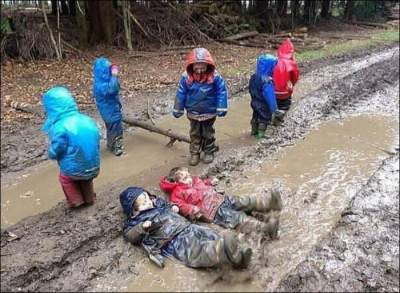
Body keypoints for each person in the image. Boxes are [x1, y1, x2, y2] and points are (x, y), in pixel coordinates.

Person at [120, 186, 253, 269]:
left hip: (188, 227)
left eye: (148, 198)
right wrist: (142, 227)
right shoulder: (137, 220)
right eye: (143, 203)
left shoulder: (158, 203)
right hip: (174, 239)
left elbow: (168, 204)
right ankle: (222, 251)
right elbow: (130, 235)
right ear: (134, 211)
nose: (149, 203)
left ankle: (237, 256)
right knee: (197, 250)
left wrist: (173, 207)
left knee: (211, 234)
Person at [159, 167, 282, 239]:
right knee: (237, 219)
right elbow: (180, 205)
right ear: (177, 182)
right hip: (214, 211)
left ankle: (267, 203)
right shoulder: (178, 192)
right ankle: (266, 229)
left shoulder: (195, 180)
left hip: (221, 199)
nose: (189, 179)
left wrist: (210, 181)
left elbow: (203, 183)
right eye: (185, 178)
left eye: (189, 175)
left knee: (244, 201)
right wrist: (191, 209)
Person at [41, 86, 100, 208]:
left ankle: (76, 201)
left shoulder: (60, 126)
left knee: (66, 179)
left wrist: (51, 153)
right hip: (94, 166)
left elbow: (58, 148)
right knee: (85, 179)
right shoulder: (87, 120)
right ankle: (89, 199)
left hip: (73, 170)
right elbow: (97, 138)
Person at [173, 48, 228, 166]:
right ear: (191, 66)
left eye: (202, 66)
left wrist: (221, 107)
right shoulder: (186, 78)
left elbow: (221, 91)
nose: (199, 70)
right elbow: (181, 93)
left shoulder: (215, 77)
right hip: (193, 111)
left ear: (208, 65)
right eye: (196, 66)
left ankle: (209, 151)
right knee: (195, 133)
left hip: (209, 111)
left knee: (208, 133)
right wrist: (178, 108)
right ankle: (195, 153)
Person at [93, 57, 124, 156]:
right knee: (115, 128)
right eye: (109, 69)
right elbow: (113, 88)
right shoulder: (100, 85)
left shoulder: (102, 82)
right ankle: (116, 147)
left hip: (110, 109)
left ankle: (110, 145)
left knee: (111, 128)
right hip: (109, 112)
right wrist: (114, 75)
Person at [248, 54, 284, 139]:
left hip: (254, 102)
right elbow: (270, 97)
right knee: (264, 118)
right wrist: (274, 109)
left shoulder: (253, 77)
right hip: (263, 104)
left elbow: (250, 89)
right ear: (270, 67)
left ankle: (253, 131)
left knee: (255, 116)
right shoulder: (267, 81)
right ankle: (260, 135)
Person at [272, 38, 299, 120]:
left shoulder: (274, 61)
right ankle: (279, 119)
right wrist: (291, 85)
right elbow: (295, 77)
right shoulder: (291, 63)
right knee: (284, 106)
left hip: (273, 91)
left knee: (275, 104)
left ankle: (274, 115)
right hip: (285, 92)